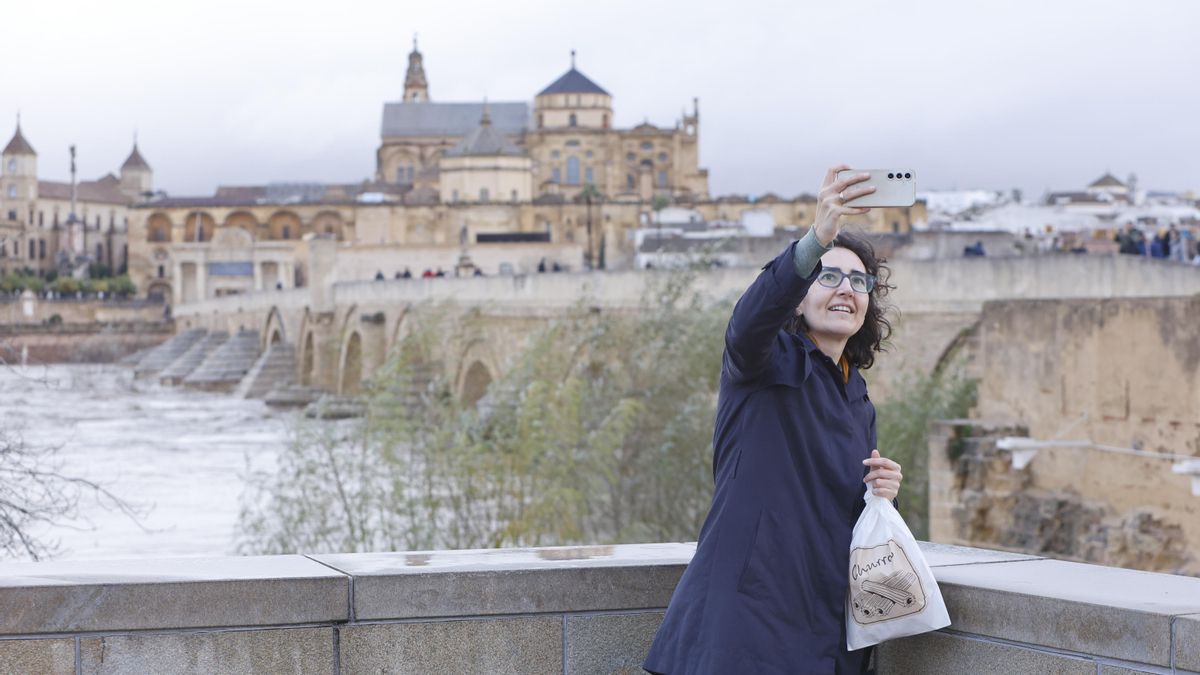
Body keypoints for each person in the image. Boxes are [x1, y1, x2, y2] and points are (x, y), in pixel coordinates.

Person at [644, 166, 904, 675]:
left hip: (824, 627)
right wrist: (816, 240)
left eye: (859, 280)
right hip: (747, 628)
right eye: (828, 276)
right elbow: (750, 320)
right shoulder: (763, 364)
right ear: (800, 295)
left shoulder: (855, 393)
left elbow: (836, 513)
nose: (845, 289)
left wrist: (884, 491)